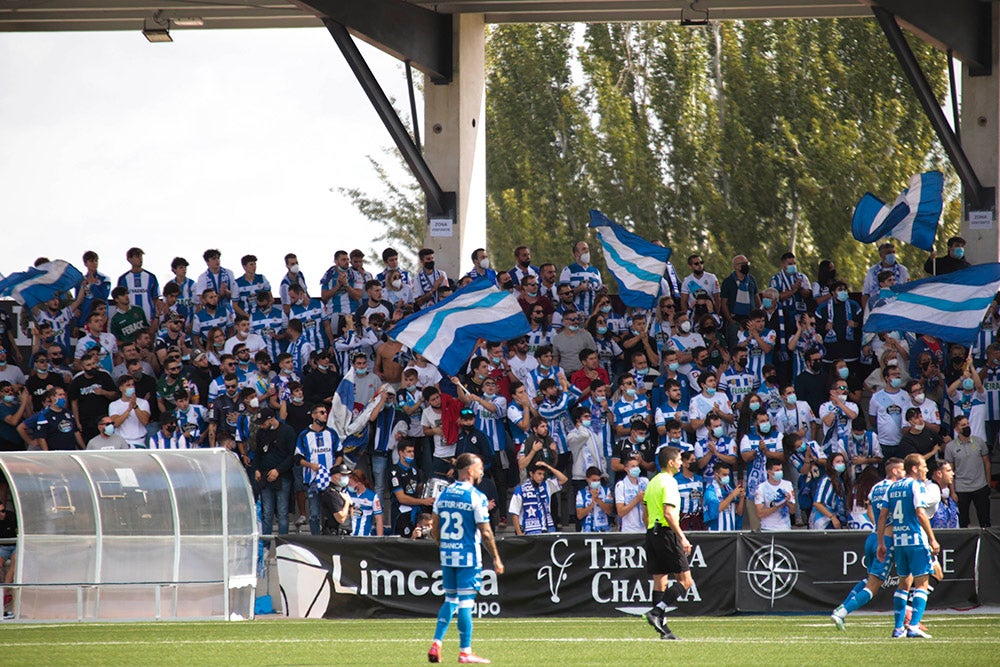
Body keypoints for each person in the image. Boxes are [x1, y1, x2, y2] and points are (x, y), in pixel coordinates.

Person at [427, 453, 504, 665]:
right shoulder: (476, 496)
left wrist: (443, 546)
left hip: (448, 554)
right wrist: (496, 558)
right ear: (469, 471)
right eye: (479, 468)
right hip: (468, 556)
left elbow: (435, 527)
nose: (482, 472)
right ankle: (465, 651)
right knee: (466, 603)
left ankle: (437, 643)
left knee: (449, 599)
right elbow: (486, 533)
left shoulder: (443, 494)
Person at [831, 457, 905, 630]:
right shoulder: (895, 489)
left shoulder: (877, 487)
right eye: (902, 470)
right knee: (873, 586)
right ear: (894, 471)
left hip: (873, 536)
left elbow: (870, 508)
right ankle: (843, 612)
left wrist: (878, 527)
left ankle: (842, 607)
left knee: (868, 578)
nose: (904, 473)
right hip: (886, 540)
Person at [877, 454, 939, 638]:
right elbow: (920, 513)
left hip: (899, 541)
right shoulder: (916, 486)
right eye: (923, 466)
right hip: (916, 540)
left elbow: (882, 516)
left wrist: (881, 542)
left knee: (903, 585)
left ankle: (898, 628)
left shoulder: (892, 486)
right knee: (922, 583)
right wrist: (932, 538)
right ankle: (913, 626)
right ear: (914, 468)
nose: (926, 470)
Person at [642, 446, 693, 641]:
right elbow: (669, 513)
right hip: (666, 532)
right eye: (680, 459)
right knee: (686, 581)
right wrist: (682, 537)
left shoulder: (652, 482)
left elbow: (645, 512)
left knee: (660, 581)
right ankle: (657, 612)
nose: (682, 462)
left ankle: (664, 631)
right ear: (671, 463)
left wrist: (651, 529)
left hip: (652, 533)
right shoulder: (670, 483)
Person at [254, 407, 297, 536]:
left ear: (271, 420)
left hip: (283, 476)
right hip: (265, 476)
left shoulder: (287, 431)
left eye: (264, 423)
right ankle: (266, 546)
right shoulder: (261, 433)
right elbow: (257, 453)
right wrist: (256, 469)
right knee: (267, 513)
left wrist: (278, 470)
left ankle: (282, 545)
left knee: (282, 512)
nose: (261, 426)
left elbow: (291, 456)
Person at [944, 414, 991, 528]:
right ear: (956, 429)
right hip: (961, 489)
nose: (967, 427)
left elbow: (987, 463)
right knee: (963, 521)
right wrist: (953, 491)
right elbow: (949, 471)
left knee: (985, 520)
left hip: (980, 486)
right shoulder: (950, 447)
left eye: (967, 424)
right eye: (963, 425)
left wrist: (988, 483)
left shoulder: (979, 441)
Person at [508, 461, 567, 535]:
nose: (542, 476)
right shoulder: (521, 489)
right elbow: (514, 512)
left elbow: (564, 479)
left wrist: (547, 466)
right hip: (528, 531)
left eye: (543, 474)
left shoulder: (547, 485)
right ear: (531, 474)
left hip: (547, 530)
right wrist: (519, 534)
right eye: (539, 474)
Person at [755, 460, 796, 532]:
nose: (780, 472)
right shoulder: (761, 488)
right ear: (769, 472)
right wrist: (778, 505)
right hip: (767, 528)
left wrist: (788, 501)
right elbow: (760, 513)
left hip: (785, 528)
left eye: (781, 469)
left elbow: (793, 511)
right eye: (777, 470)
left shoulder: (788, 485)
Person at [703, 462, 744, 531]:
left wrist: (741, 498)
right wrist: (733, 495)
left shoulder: (730, 490)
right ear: (716, 475)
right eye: (724, 475)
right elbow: (717, 508)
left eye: (728, 475)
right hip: (716, 532)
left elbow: (739, 513)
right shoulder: (710, 491)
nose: (727, 477)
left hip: (731, 531)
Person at [614, 458, 648, 533]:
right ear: (626, 469)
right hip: (629, 529)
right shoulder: (621, 485)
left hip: (645, 528)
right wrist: (636, 499)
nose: (636, 468)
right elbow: (620, 512)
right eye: (633, 466)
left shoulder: (645, 482)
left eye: (637, 466)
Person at [575, 466, 613, 532]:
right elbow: (579, 515)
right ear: (587, 479)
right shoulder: (581, 493)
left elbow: (609, 511)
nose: (596, 482)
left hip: (604, 530)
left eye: (598, 480)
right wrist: (592, 504)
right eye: (594, 480)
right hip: (587, 530)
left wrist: (597, 499)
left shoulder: (607, 491)